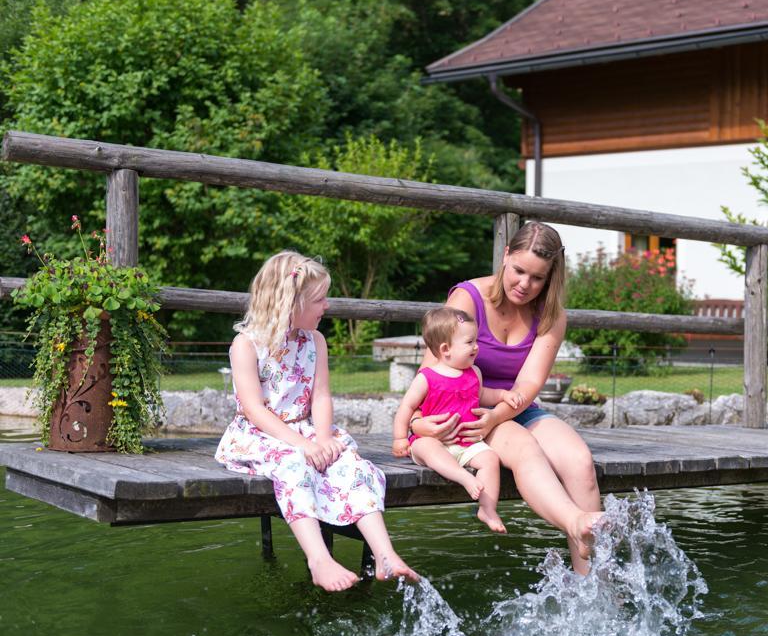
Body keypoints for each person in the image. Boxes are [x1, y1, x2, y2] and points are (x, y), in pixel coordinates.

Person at [215, 250, 418, 592]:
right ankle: (318, 559)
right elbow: (254, 409)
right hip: (261, 434)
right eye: (320, 300)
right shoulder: (246, 345)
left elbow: (321, 395)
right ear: (289, 303)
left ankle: (385, 554)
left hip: (306, 428)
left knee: (352, 464)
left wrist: (323, 439)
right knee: (295, 465)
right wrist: (304, 445)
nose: (327, 307)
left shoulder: (316, 342)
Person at [409, 222, 604, 574]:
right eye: (519, 271)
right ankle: (576, 524)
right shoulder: (467, 299)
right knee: (526, 449)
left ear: (550, 278)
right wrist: (418, 422)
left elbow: (529, 384)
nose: (525, 285)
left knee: (581, 463)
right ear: (506, 256)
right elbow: (433, 372)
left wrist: (497, 415)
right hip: (464, 412)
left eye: (538, 278)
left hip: (516, 407)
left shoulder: (551, 315)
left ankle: (591, 582)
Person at [392, 306, 524, 534]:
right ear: (445, 350)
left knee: (490, 458)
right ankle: (464, 477)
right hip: (435, 442)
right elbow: (407, 406)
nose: (476, 347)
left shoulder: (474, 373)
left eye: (475, 341)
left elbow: (482, 395)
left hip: (466, 443)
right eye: (469, 342)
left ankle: (488, 508)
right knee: (426, 445)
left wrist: (503, 395)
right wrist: (400, 437)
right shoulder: (427, 377)